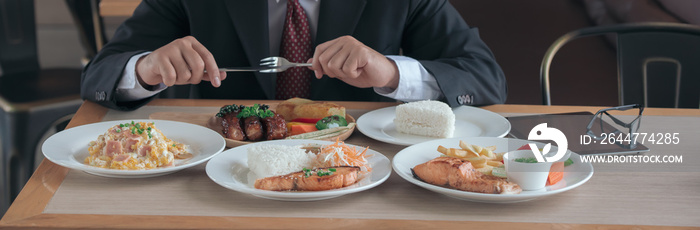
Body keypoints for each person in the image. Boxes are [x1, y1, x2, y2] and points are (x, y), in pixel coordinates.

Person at [81, 0, 507, 110]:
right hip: (225, 170)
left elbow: (485, 78)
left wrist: (391, 72)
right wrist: (146, 69)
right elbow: (99, 75)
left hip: (365, 169)